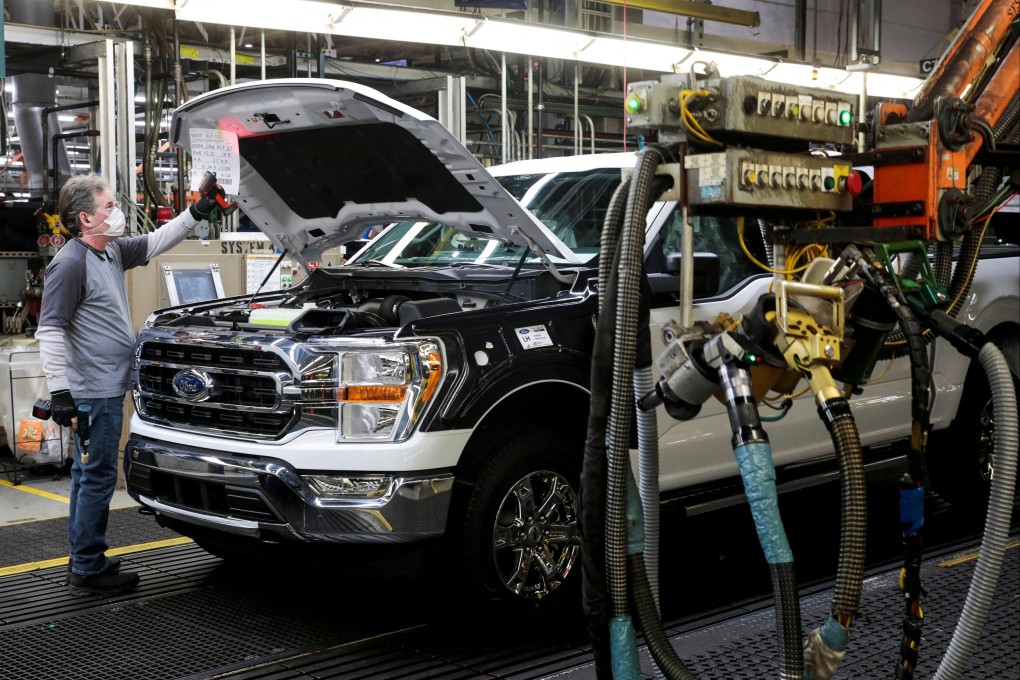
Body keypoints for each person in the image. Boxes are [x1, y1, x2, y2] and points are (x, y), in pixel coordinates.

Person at [36, 174, 221, 596]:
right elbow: (49, 331)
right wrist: (61, 393)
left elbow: (157, 241)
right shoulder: (70, 264)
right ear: (86, 218)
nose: (116, 212)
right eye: (109, 207)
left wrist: (196, 211)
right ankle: (88, 568)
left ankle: (85, 558)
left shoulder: (111, 251)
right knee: (97, 477)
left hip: (106, 386)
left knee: (88, 476)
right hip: (91, 392)